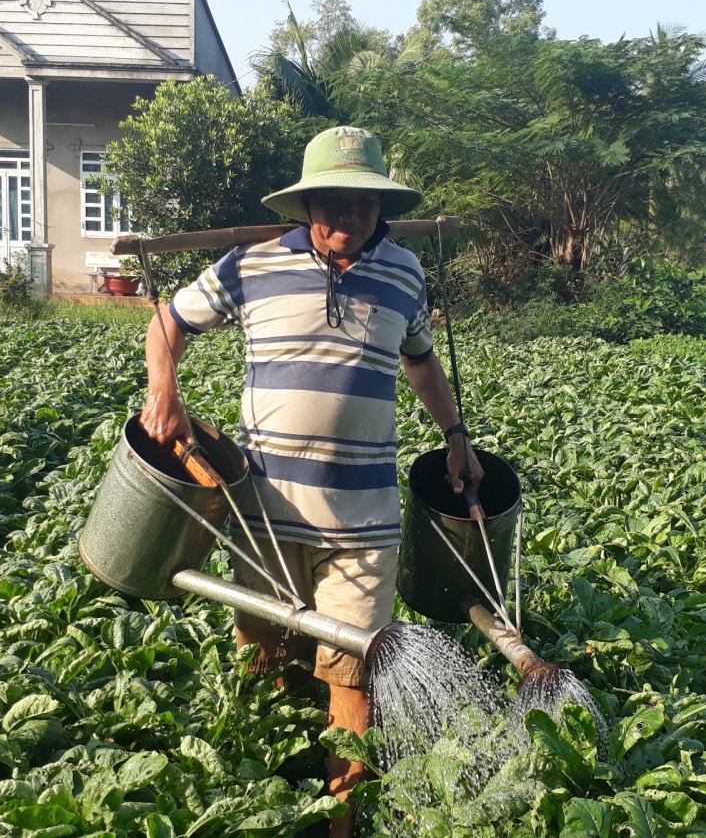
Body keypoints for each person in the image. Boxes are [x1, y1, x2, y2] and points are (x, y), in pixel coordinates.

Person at [137, 126, 479, 836]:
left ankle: (342, 821)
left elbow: (420, 361)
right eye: (329, 202)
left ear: (381, 210)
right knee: (262, 661)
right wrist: (163, 390)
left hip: (364, 524)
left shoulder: (405, 273)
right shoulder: (249, 266)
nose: (344, 219)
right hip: (265, 518)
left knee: (353, 675)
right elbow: (167, 323)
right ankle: (265, 797)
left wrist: (456, 435)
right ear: (305, 204)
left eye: (361, 205)